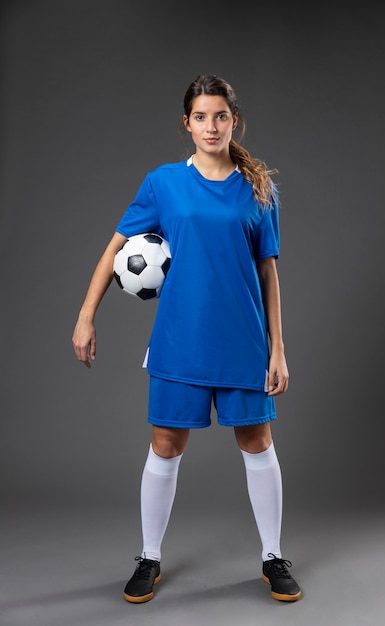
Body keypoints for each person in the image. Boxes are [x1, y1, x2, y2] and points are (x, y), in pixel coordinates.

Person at [72, 74, 301, 604]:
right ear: (187, 124)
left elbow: (269, 274)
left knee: (259, 443)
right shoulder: (162, 184)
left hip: (244, 341)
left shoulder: (257, 190)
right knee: (165, 446)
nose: (211, 126)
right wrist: (86, 315)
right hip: (180, 341)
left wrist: (279, 347)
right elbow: (115, 251)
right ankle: (149, 557)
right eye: (201, 117)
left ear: (233, 121)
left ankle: (272, 556)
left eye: (220, 115)